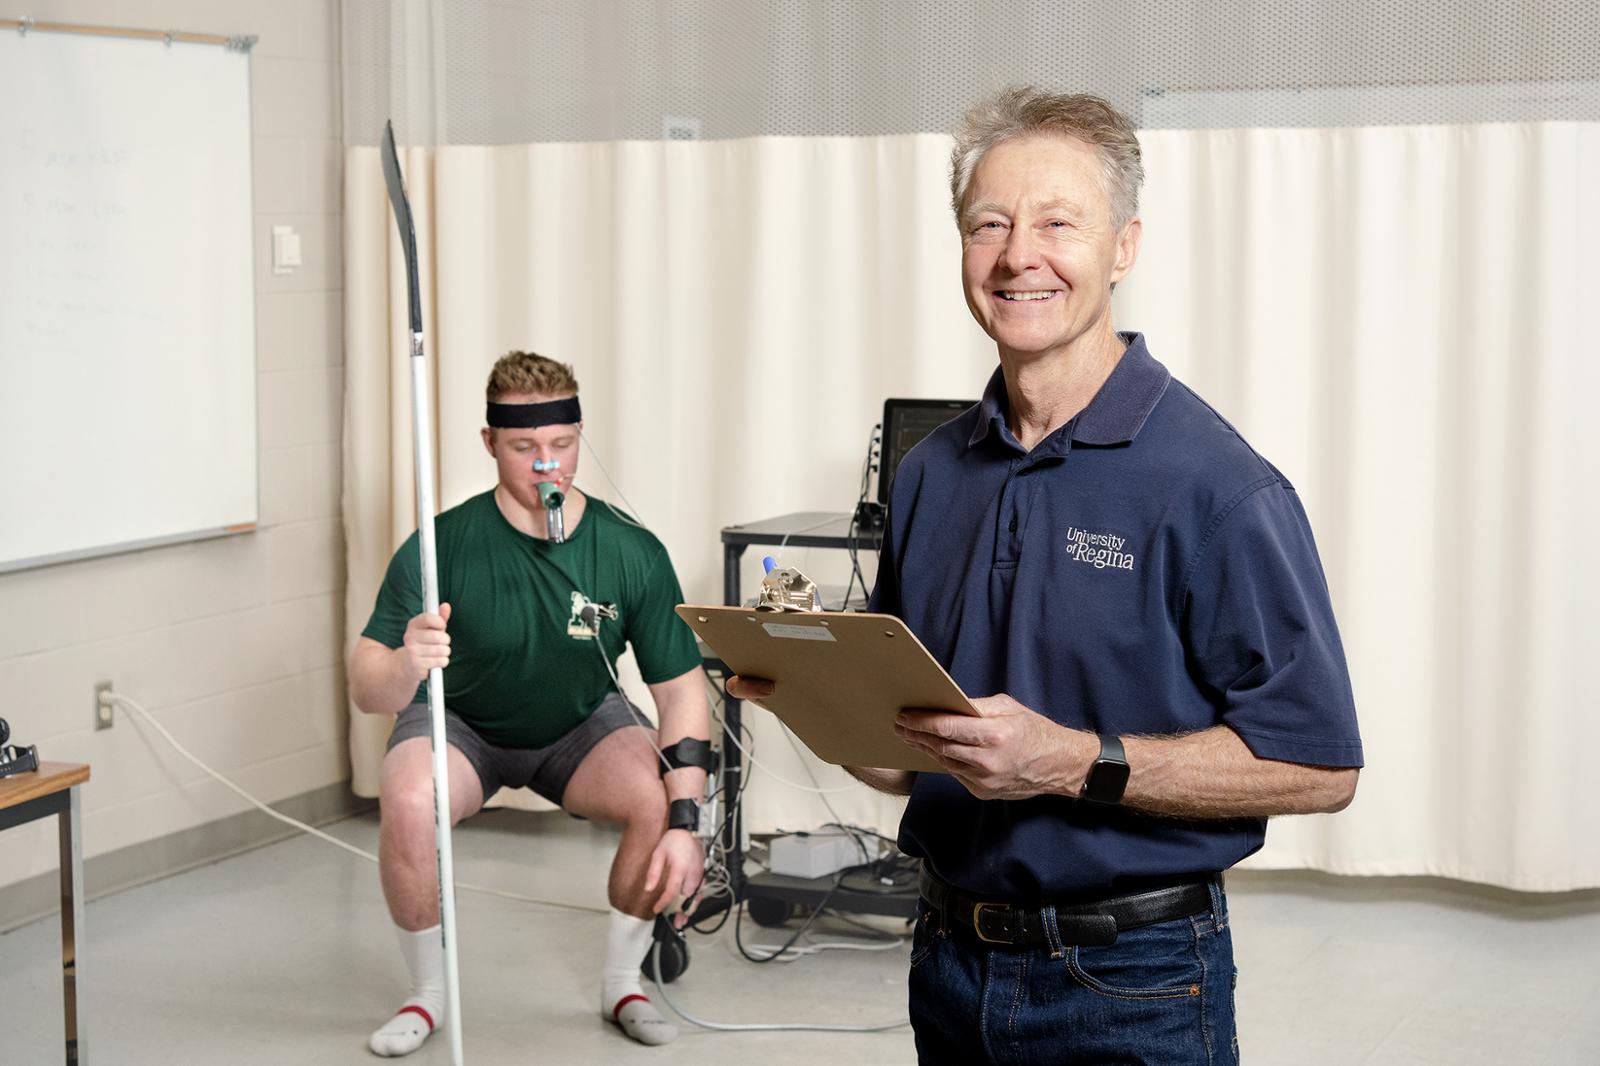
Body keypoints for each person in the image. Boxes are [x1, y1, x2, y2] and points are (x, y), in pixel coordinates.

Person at [730, 86, 1363, 1065]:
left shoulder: (1218, 487)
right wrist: (813, 696)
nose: (1019, 254)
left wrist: (1071, 760)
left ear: (1123, 245)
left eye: (1057, 222)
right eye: (990, 224)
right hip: (946, 960)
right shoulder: (932, 472)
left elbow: (1322, 767)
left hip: (1135, 980)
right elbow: (911, 758)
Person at [349, 351, 710, 1056]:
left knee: (657, 796)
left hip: (579, 721)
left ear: (580, 435)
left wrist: (687, 819)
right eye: (524, 448)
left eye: (562, 446)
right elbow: (367, 688)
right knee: (409, 799)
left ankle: (621, 983)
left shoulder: (629, 548)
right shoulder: (442, 544)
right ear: (489, 444)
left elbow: (682, 692)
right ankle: (427, 994)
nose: (546, 465)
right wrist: (404, 664)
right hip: (462, 722)